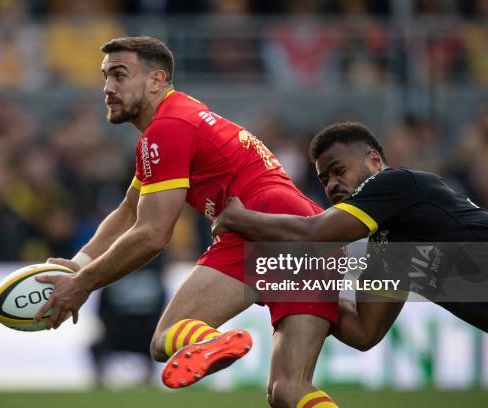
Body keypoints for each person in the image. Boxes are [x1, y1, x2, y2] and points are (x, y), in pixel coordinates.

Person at [34, 36, 340, 408]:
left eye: (119, 75)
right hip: (310, 230)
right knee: (289, 389)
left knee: (165, 338)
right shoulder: (182, 117)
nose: (108, 88)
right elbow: (130, 211)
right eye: (105, 77)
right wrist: (79, 264)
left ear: (156, 80)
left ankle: (206, 340)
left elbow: (152, 235)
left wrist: (83, 284)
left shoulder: (167, 129)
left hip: (261, 224)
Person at [212, 121, 488, 350]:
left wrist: (240, 218)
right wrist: (286, 285)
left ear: (374, 160)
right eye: (324, 180)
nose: (333, 185)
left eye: (339, 171)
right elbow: (363, 332)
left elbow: (314, 233)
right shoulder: (388, 253)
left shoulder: (395, 183)